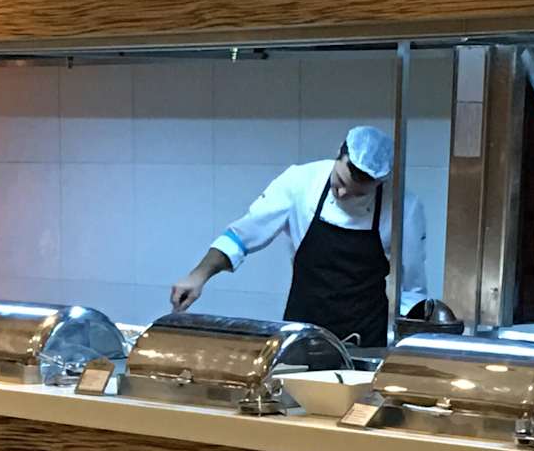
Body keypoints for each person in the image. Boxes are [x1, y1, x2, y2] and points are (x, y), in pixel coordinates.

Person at [168, 125, 428, 345]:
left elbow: (411, 290)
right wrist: (198, 276)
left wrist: (409, 346)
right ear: (338, 154)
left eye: (357, 193)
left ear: (380, 183)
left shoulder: (403, 208)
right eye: (339, 182)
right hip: (302, 334)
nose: (342, 194)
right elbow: (242, 236)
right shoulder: (301, 182)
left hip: (366, 340)